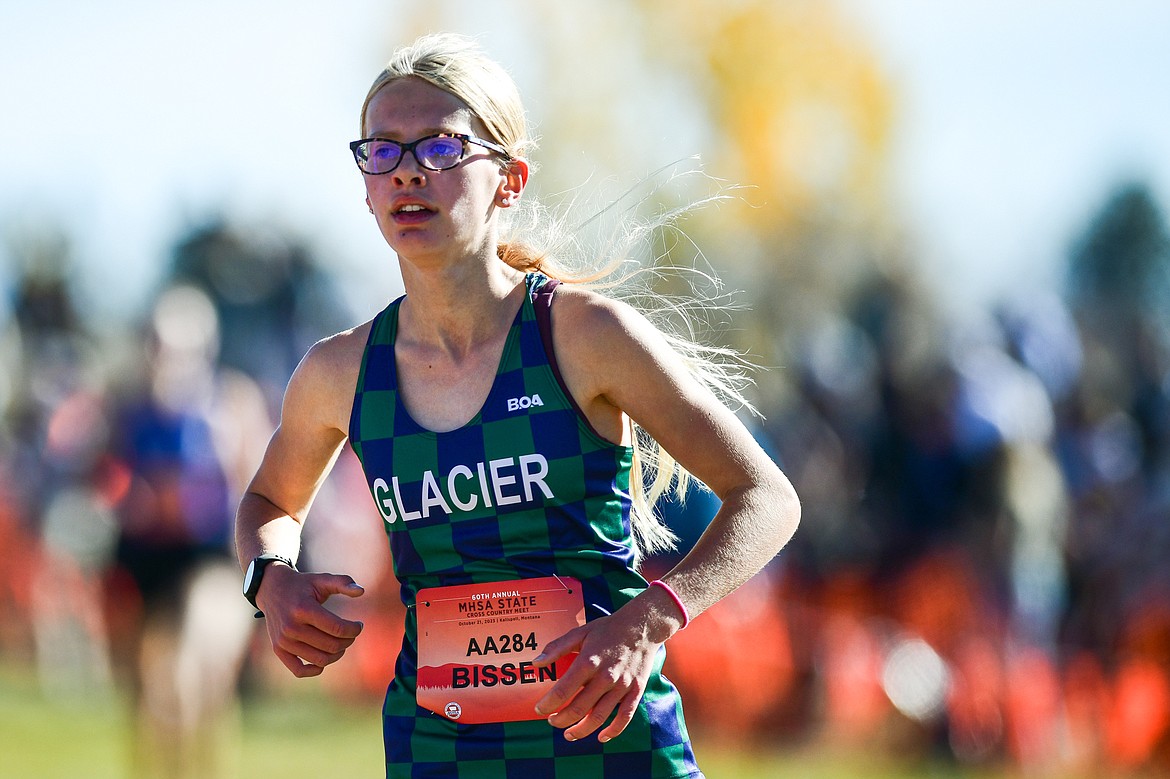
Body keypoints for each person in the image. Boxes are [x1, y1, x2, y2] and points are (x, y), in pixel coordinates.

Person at [234, 32, 800, 778]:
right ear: (365, 184)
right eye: (383, 152)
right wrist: (270, 579)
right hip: (440, 749)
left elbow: (767, 497)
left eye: (439, 149)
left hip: (607, 746)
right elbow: (272, 497)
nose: (407, 174)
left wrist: (650, 619)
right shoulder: (341, 371)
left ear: (510, 180)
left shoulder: (584, 335)